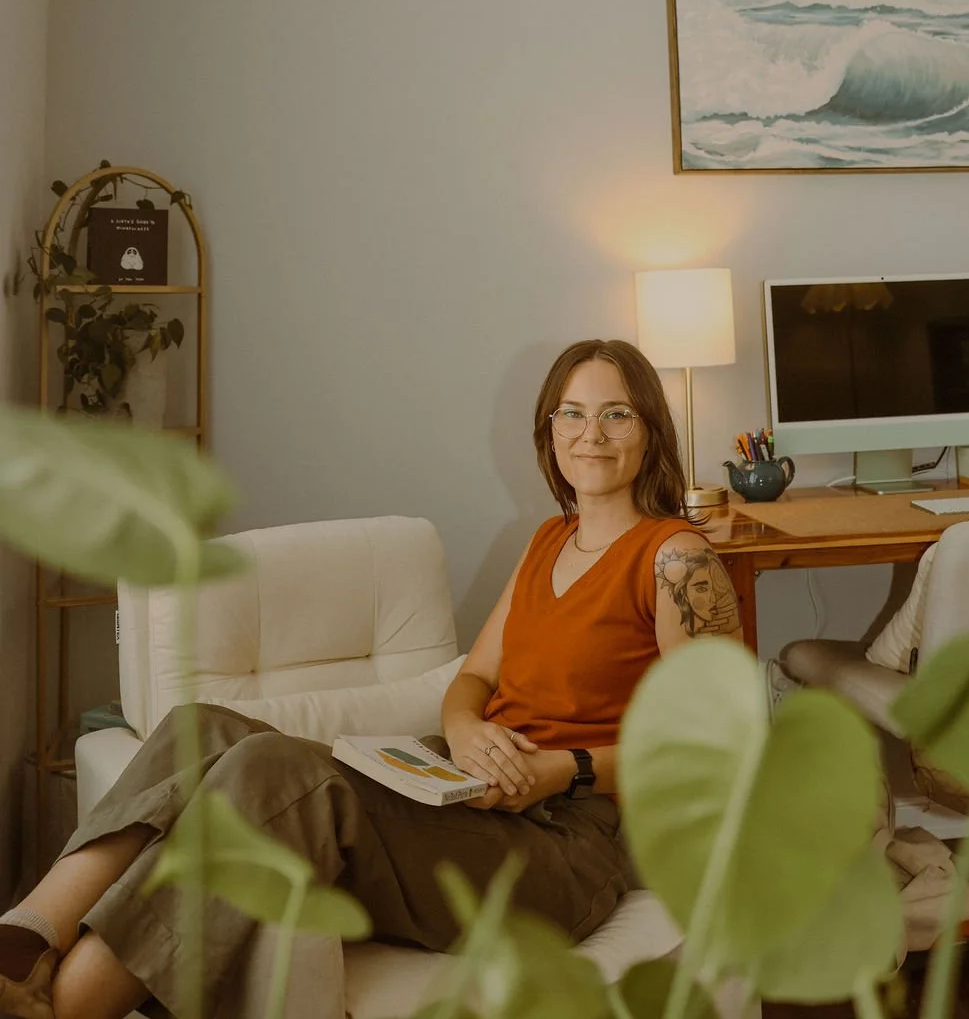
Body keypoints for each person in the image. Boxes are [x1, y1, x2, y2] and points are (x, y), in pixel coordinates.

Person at [0, 339, 742, 1019]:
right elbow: (475, 675)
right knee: (203, 726)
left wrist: (560, 770)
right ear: (549, 431)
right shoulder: (549, 540)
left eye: (617, 414)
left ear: (650, 429)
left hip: (566, 843)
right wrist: (464, 728)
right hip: (467, 790)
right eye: (571, 413)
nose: (591, 433)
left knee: (275, 770)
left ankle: (62, 1007)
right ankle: (27, 938)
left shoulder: (677, 560)